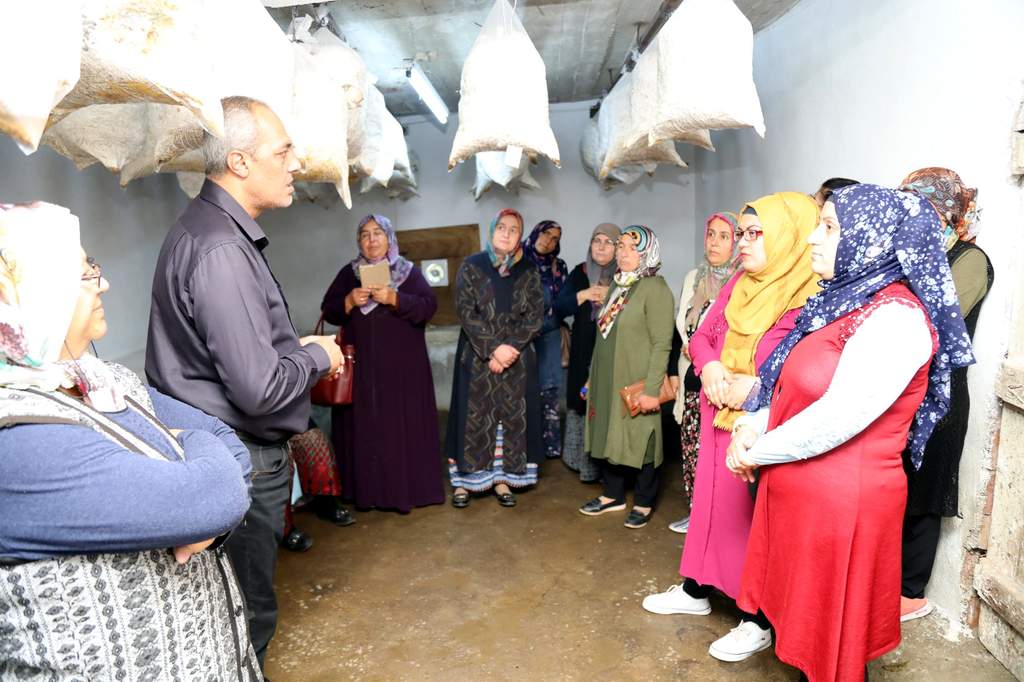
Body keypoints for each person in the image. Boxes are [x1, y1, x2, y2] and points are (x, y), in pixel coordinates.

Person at [0, 202, 259, 680]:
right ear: (23, 295)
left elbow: (227, 442)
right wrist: (201, 487)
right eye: (81, 275)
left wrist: (203, 492)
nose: (103, 283)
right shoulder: (16, 439)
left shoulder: (101, 377)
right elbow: (215, 492)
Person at [727, 184, 974, 681]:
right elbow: (784, 382)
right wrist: (750, 426)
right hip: (802, 494)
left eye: (831, 227)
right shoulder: (839, 301)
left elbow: (840, 417)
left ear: (873, 238)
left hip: (843, 509)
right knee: (807, 637)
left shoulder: (896, 318)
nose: (813, 239)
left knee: (834, 649)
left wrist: (758, 451)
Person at [146, 96, 343, 669]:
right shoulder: (222, 250)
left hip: (226, 446)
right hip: (242, 457)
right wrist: (315, 356)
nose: (296, 163)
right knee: (247, 616)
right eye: (282, 152)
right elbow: (257, 389)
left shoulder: (208, 232)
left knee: (228, 610)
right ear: (238, 161)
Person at [642, 192, 820, 663]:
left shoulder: (807, 294)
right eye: (740, 232)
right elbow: (702, 334)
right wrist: (713, 365)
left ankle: (756, 619)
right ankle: (696, 587)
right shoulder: (739, 282)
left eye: (753, 233)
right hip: (718, 415)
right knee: (710, 511)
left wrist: (757, 386)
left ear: (786, 236)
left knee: (752, 522)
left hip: (761, 426)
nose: (742, 242)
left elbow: (806, 370)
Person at [898, 167, 994, 621]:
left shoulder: (970, 260)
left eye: (925, 209)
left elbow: (935, 317)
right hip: (902, 386)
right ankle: (886, 584)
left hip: (941, 391)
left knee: (925, 493)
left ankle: (910, 593)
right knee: (898, 487)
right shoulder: (911, 255)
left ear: (949, 214)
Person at [321, 214, 445, 512]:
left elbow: (429, 307)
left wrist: (395, 298)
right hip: (361, 373)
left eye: (378, 233)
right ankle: (366, 493)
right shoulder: (349, 274)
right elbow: (329, 310)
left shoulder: (407, 273)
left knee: (401, 429)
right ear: (359, 241)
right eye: (365, 234)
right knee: (365, 429)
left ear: (389, 238)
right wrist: (349, 300)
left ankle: (406, 493)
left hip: (403, 373)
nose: (372, 239)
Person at [445, 208, 544, 508]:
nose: (506, 233)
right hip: (477, 358)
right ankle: (465, 482)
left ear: (520, 236)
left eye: (513, 229)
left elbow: (536, 314)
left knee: (509, 420)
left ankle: (502, 480)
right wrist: (492, 349)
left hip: (517, 359)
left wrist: (510, 349)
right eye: (501, 227)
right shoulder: (472, 266)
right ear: (491, 230)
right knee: (472, 418)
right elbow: (465, 311)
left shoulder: (528, 269)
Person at [579, 225, 674, 529]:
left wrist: (651, 388)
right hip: (608, 376)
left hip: (637, 379)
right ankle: (613, 494)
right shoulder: (618, 285)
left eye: (632, 247)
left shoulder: (655, 288)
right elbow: (603, 337)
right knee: (609, 431)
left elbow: (662, 343)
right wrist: (593, 377)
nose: (623, 252)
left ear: (647, 252)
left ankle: (644, 502)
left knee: (642, 438)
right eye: (621, 246)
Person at [665, 211, 739, 534]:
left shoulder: (742, 281)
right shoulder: (693, 277)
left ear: (735, 242)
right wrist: (688, 345)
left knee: (716, 456)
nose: (715, 242)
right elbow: (681, 325)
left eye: (725, 236)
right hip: (691, 378)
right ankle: (696, 514)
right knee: (691, 448)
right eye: (712, 234)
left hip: (719, 383)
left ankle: (715, 521)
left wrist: (704, 348)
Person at [555, 222, 620, 482]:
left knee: (607, 406)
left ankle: (609, 470)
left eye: (609, 242)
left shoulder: (625, 275)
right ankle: (581, 462)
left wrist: (611, 296)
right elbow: (559, 307)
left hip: (613, 353)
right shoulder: (580, 273)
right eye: (597, 240)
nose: (601, 246)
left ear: (619, 248)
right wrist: (582, 295)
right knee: (581, 405)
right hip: (583, 352)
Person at [523, 219, 568, 460]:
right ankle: (526, 445)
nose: (548, 241)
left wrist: (543, 321)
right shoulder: (518, 261)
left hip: (548, 336)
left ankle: (550, 446)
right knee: (521, 390)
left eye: (555, 239)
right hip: (520, 339)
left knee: (548, 390)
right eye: (546, 234)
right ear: (536, 232)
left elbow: (562, 305)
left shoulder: (558, 266)